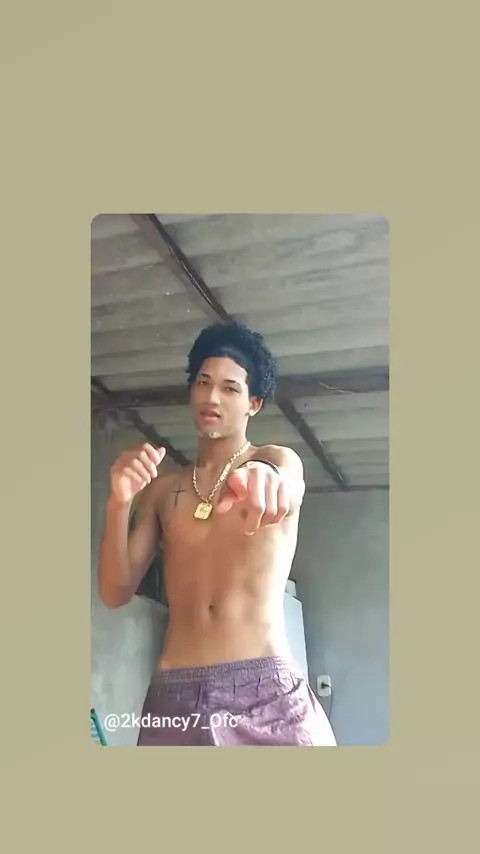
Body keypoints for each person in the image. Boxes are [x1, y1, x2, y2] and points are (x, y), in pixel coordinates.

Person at [98, 321, 336, 746]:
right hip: (174, 697)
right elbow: (115, 592)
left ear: (253, 404)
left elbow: (286, 481)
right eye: (204, 383)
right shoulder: (164, 490)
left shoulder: (275, 459)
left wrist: (268, 479)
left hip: (265, 694)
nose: (211, 397)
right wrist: (119, 502)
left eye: (230, 388)